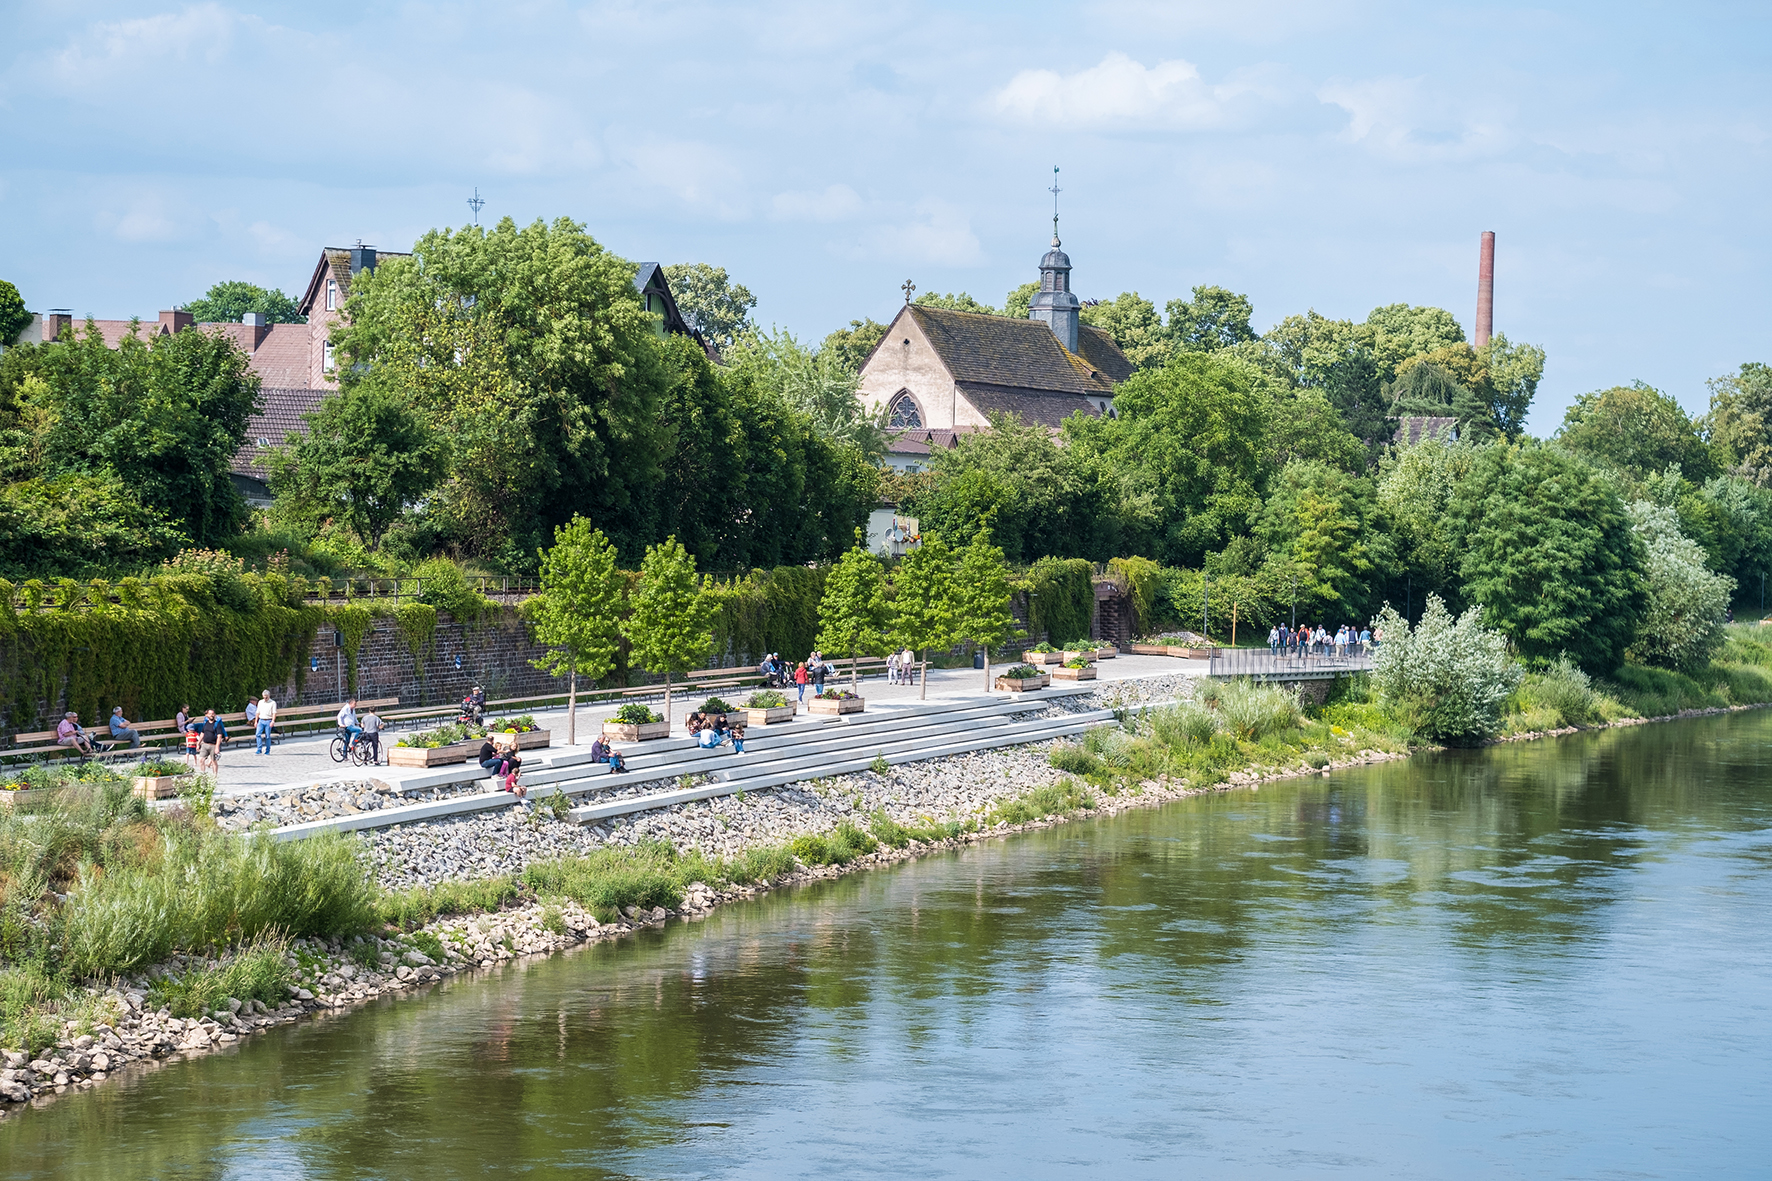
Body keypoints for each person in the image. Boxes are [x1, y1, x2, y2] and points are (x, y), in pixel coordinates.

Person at [193, 709, 227, 775]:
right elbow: (202, 733)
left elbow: (219, 736)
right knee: (201, 759)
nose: (211, 715)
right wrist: (198, 743)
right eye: (210, 714)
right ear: (206, 715)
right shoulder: (205, 724)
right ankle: (203, 775)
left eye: (213, 714)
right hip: (205, 744)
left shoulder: (217, 725)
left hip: (213, 745)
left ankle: (214, 776)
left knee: (214, 761)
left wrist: (217, 747)